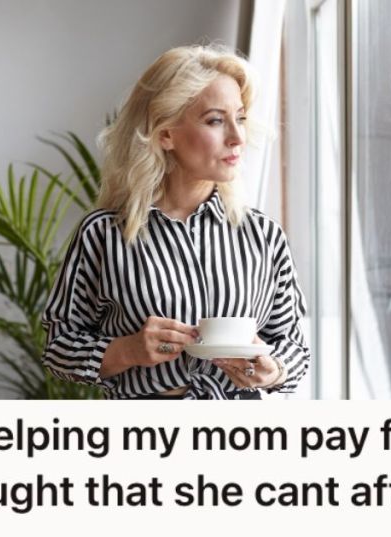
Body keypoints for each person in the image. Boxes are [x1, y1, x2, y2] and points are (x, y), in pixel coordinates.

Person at [40, 44, 310, 400]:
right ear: (165, 134)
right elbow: (58, 346)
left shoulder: (264, 235)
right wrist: (126, 351)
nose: (237, 137)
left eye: (240, 118)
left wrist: (273, 370)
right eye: (215, 120)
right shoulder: (103, 234)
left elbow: (294, 345)